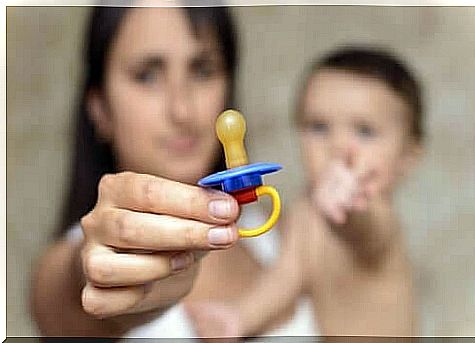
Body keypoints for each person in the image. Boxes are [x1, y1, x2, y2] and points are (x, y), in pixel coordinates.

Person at [30, 4, 319, 339]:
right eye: (147, 75)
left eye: (202, 70)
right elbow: (67, 295)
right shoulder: (77, 261)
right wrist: (101, 273)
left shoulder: (285, 235)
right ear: (100, 109)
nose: (182, 110)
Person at [187, 46, 423, 339]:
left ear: (407, 156)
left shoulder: (379, 218)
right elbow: (285, 279)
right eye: (319, 127)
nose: (338, 145)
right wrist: (238, 318)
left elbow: (367, 233)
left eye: (364, 131)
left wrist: (350, 203)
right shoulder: (306, 212)